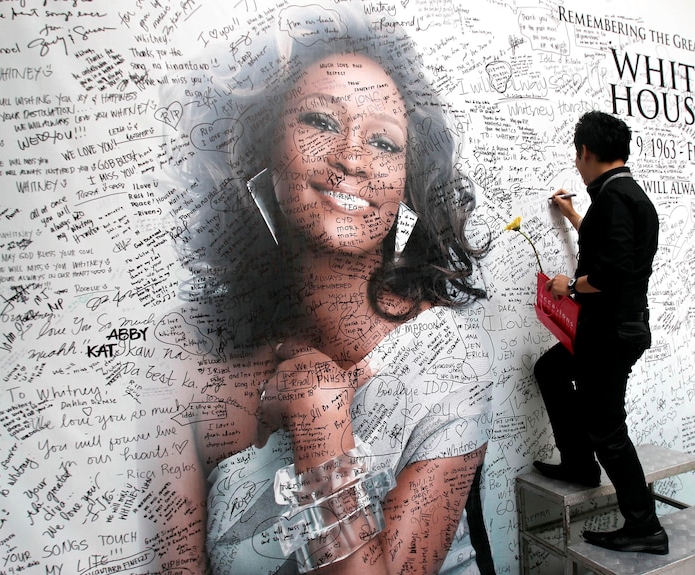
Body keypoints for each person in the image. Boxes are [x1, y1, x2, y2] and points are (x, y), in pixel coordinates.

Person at [165, 3, 495, 573]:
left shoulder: (448, 358)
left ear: (406, 187)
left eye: (385, 143)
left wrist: (322, 422)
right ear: (264, 150)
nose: (351, 158)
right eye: (320, 121)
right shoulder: (186, 353)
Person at [533, 111, 666, 554]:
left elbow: (609, 272)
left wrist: (567, 285)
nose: (577, 163)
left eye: (577, 154)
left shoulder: (613, 199)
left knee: (607, 430)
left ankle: (644, 526)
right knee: (551, 368)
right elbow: (608, 244)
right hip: (618, 328)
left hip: (608, 332)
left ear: (586, 152)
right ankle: (578, 463)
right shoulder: (627, 196)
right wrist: (571, 212)